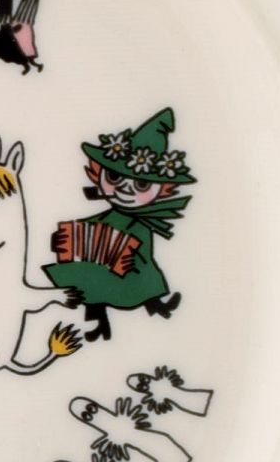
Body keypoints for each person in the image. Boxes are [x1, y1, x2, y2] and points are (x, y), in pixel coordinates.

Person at [44, 108, 194, 341]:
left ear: (163, 189)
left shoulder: (141, 225)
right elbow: (82, 232)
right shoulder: (108, 217)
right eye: (114, 177)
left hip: (131, 269)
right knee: (88, 280)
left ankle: (156, 306)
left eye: (141, 184)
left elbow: (143, 253)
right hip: (103, 270)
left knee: (144, 274)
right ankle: (99, 323)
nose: (125, 189)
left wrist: (131, 258)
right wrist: (60, 241)